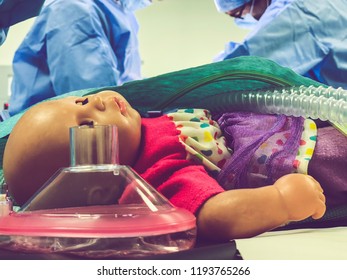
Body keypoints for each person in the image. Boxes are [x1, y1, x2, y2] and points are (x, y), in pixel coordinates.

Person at [3, 90, 327, 241]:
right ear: (98, 183)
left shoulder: (145, 124)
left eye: (81, 102)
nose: (97, 102)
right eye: (89, 124)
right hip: (297, 160)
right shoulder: (157, 172)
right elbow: (212, 216)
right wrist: (281, 201)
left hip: (291, 126)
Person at [8, 0, 152, 116]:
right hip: (46, 134)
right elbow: (93, 102)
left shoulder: (123, 12)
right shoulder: (73, 8)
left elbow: (126, 82)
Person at [213, 0, 347, 89]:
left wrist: (200, 78)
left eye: (238, 14)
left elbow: (243, 63)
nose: (242, 19)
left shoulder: (295, 10)